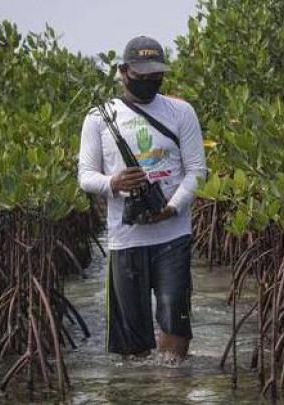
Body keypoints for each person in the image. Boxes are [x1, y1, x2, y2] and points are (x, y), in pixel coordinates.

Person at [78, 35, 207, 363]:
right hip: (126, 238)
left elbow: (197, 171)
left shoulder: (181, 112)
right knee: (132, 343)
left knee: (174, 320)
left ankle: (171, 389)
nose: (150, 81)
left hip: (173, 234)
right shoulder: (98, 117)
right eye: (142, 75)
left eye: (156, 76)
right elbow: (86, 176)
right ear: (123, 71)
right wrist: (114, 183)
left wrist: (171, 208)